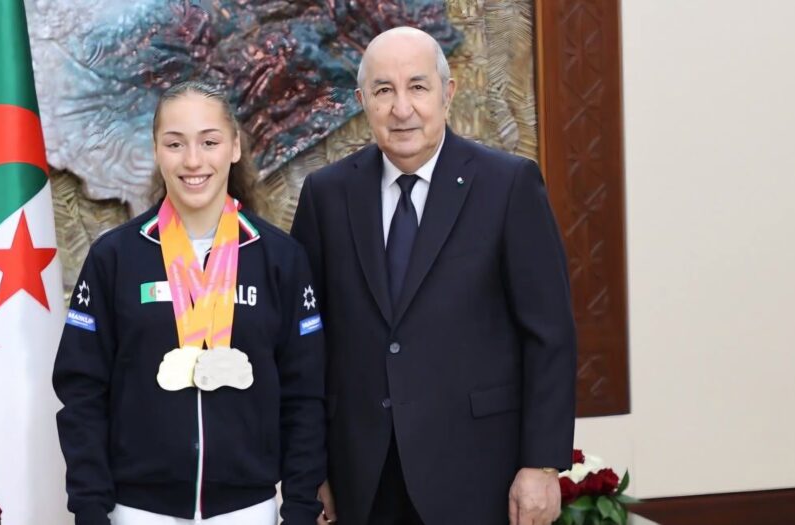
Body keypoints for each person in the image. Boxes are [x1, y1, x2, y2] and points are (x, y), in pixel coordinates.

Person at [291, 27, 577, 525]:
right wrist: (310, 471)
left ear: (447, 93)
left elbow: (549, 335)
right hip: (361, 479)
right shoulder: (326, 195)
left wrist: (542, 463)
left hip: (479, 474)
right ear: (363, 102)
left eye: (418, 87)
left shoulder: (508, 185)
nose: (402, 108)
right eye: (384, 91)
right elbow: (305, 346)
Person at [54, 81, 326, 525]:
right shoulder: (115, 258)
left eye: (210, 141)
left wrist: (299, 507)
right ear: (157, 151)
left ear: (234, 147)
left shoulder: (280, 259)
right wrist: (89, 507)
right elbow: (82, 390)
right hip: (137, 511)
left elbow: (305, 394)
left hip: (248, 510)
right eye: (175, 143)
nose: (193, 160)